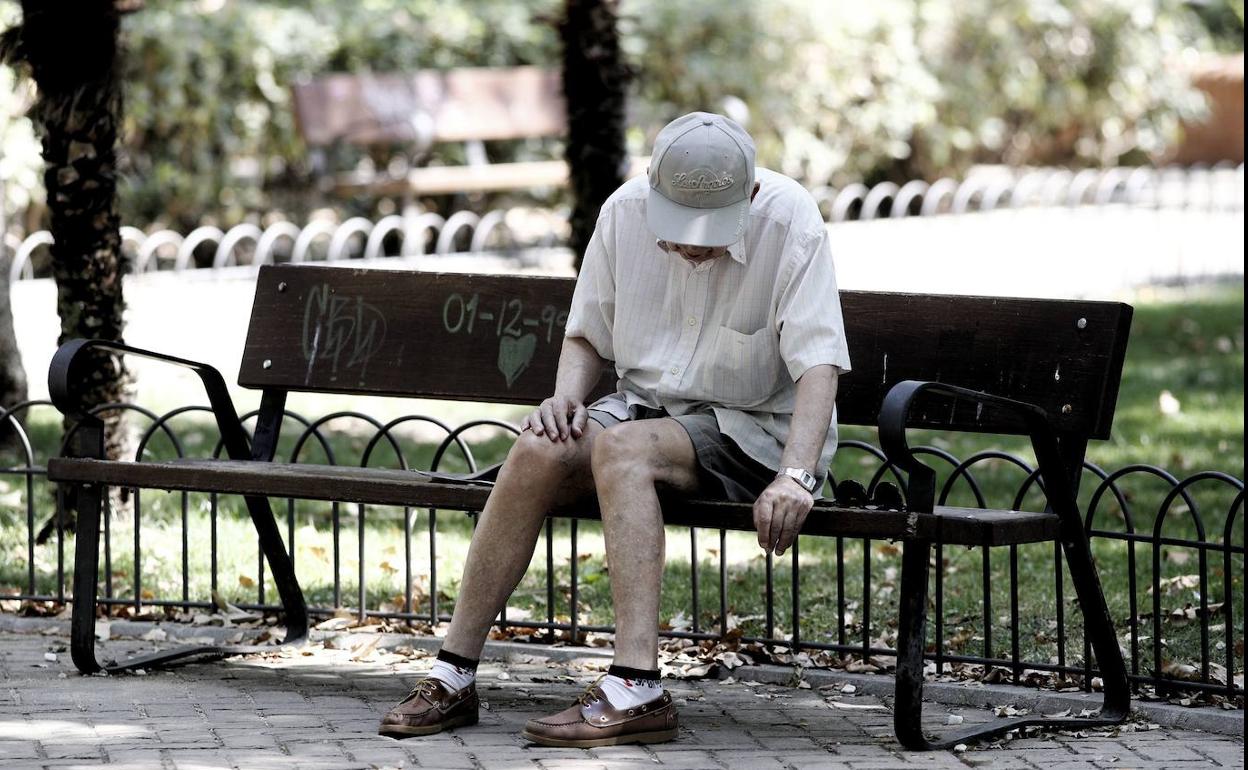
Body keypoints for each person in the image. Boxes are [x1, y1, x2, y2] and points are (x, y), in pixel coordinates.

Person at [379, 111, 851, 748]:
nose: (688, 247)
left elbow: (819, 362)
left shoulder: (789, 219)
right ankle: (452, 674)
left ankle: (636, 688)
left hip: (755, 431)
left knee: (626, 451)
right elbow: (585, 336)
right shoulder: (624, 211)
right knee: (538, 448)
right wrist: (564, 401)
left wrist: (796, 476)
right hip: (645, 412)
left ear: (752, 197)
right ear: (654, 192)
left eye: (707, 235)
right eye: (678, 229)